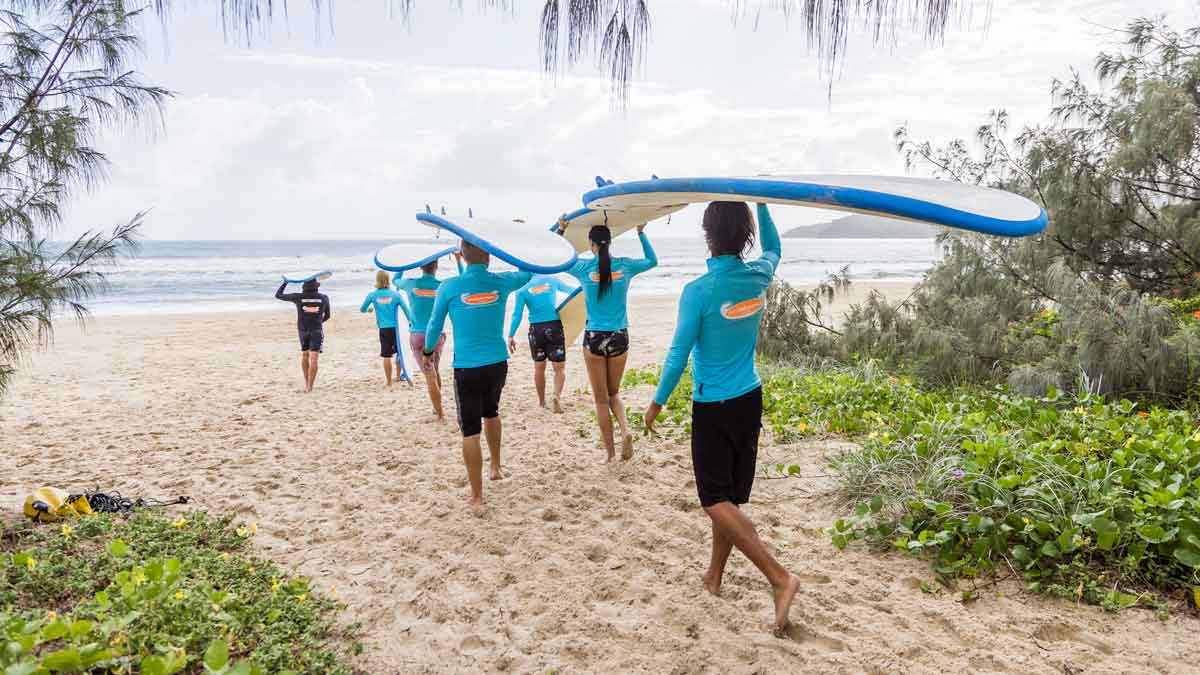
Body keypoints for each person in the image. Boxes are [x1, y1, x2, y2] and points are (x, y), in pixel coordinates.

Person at [643, 202, 800, 634]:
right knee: (728, 500)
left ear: (707, 234)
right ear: (745, 234)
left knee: (715, 500)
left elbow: (678, 353)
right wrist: (762, 203)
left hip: (713, 406)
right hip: (750, 398)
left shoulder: (700, 290)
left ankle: (780, 578)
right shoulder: (759, 273)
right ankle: (714, 576)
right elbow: (775, 247)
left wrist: (657, 401)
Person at [422, 241, 530, 512]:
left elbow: (435, 323)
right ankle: (495, 466)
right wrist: (515, 241)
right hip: (497, 363)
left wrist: (427, 351)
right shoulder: (502, 282)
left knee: (470, 430)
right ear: (489, 256)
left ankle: (478, 497)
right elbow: (528, 272)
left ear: (463, 256)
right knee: (491, 411)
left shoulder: (448, 286)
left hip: (467, 367)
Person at [555, 216, 657, 462]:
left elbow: (556, 260)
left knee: (601, 401)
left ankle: (610, 455)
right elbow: (653, 261)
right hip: (619, 336)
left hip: (594, 337)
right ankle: (626, 430)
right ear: (610, 243)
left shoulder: (583, 268)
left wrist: (560, 230)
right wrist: (641, 233)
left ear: (591, 245)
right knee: (614, 394)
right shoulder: (625, 266)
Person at [395, 254, 463, 421]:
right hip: (437, 336)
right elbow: (462, 282)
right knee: (435, 370)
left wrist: (403, 264)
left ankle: (440, 413)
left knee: (430, 376)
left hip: (417, 336)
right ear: (436, 267)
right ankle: (436, 407)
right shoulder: (442, 286)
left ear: (420, 267)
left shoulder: (411, 284)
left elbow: (395, 280)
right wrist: (458, 261)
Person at [507, 274, 575, 412]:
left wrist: (511, 335)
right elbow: (572, 291)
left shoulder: (522, 289)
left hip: (536, 330)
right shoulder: (551, 279)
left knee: (539, 368)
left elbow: (517, 314)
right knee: (559, 368)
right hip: (554, 327)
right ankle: (556, 396)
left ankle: (542, 402)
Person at [275, 276, 331, 393]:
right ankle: (310, 386)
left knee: (305, 355)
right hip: (316, 330)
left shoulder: (298, 297)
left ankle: (306, 384)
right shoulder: (324, 298)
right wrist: (317, 321)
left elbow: (278, 295)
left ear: (304, 286)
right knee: (314, 358)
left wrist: (286, 283)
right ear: (317, 287)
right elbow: (327, 316)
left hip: (302, 330)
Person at [360, 270, 413, 387]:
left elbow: (362, 309)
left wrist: (369, 310)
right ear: (388, 280)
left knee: (386, 355)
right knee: (400, 352)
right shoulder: (395, 295)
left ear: (377, 280)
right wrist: (410, 323)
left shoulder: (373, 295)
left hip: (383, 329)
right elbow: (407, 312)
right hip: (396, 329)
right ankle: (398, 376)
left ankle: (389, 381)